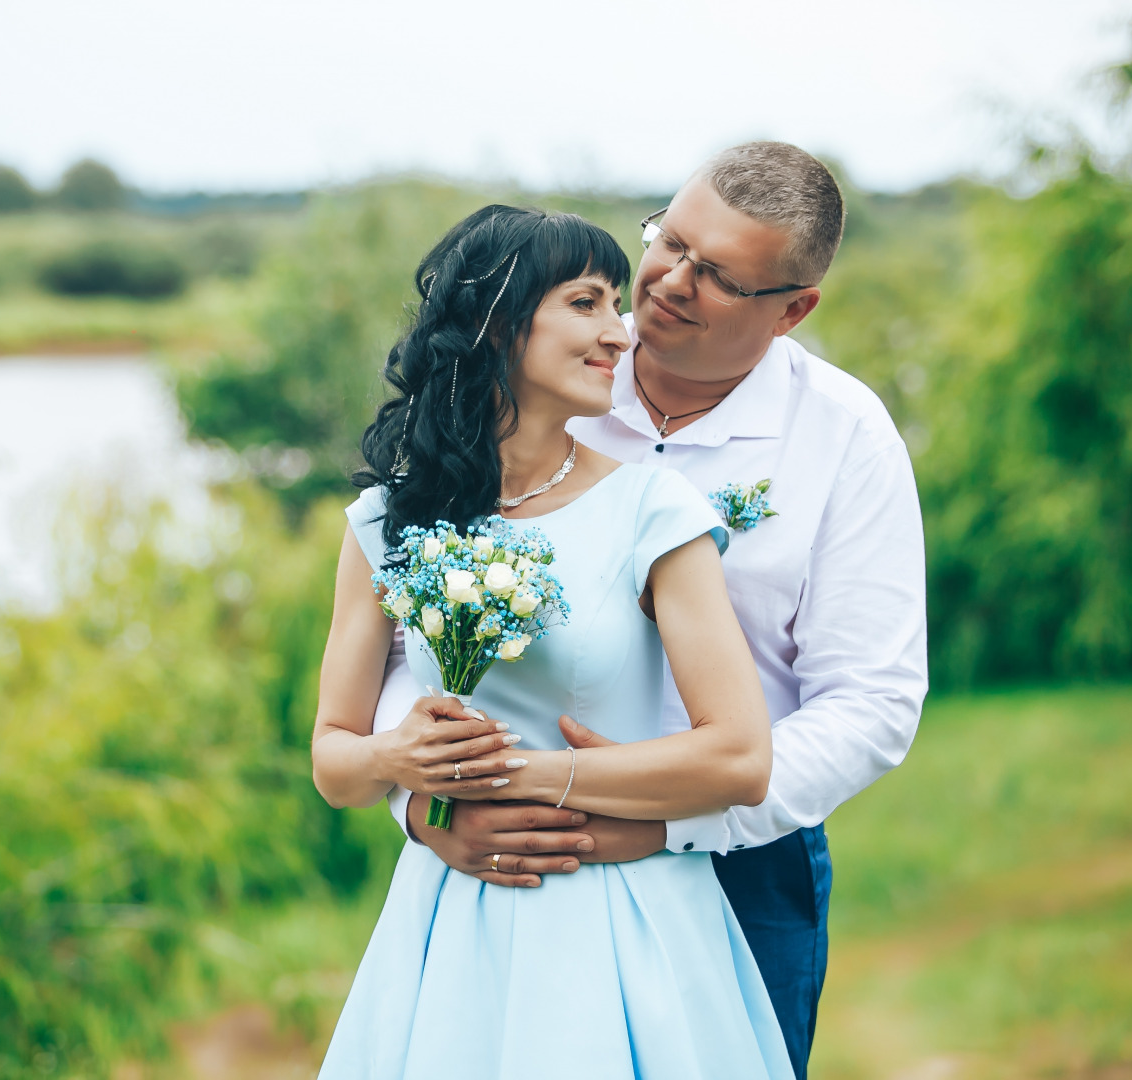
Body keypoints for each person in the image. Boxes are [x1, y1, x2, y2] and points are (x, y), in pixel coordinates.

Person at [368, 142, 928, 1079]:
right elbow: (404, 632)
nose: (668, 282)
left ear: (792, 310)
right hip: (504, 853)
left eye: (719, 277)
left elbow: (870, 702)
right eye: (669, 240)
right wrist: (425, 799)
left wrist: (671, 821)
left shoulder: (845, 437)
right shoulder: (542, 380)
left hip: (740, 865)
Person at [312, 205, 795, 1078]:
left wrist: (521, 777)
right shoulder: (385, 522)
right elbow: (333, 761)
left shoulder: (656, 513)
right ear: (497, 324)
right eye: (586, 304)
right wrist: (404, 763)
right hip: (455, 921)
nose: (620, 335)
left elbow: (740, 757)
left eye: (616, 305)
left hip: (623, 919)